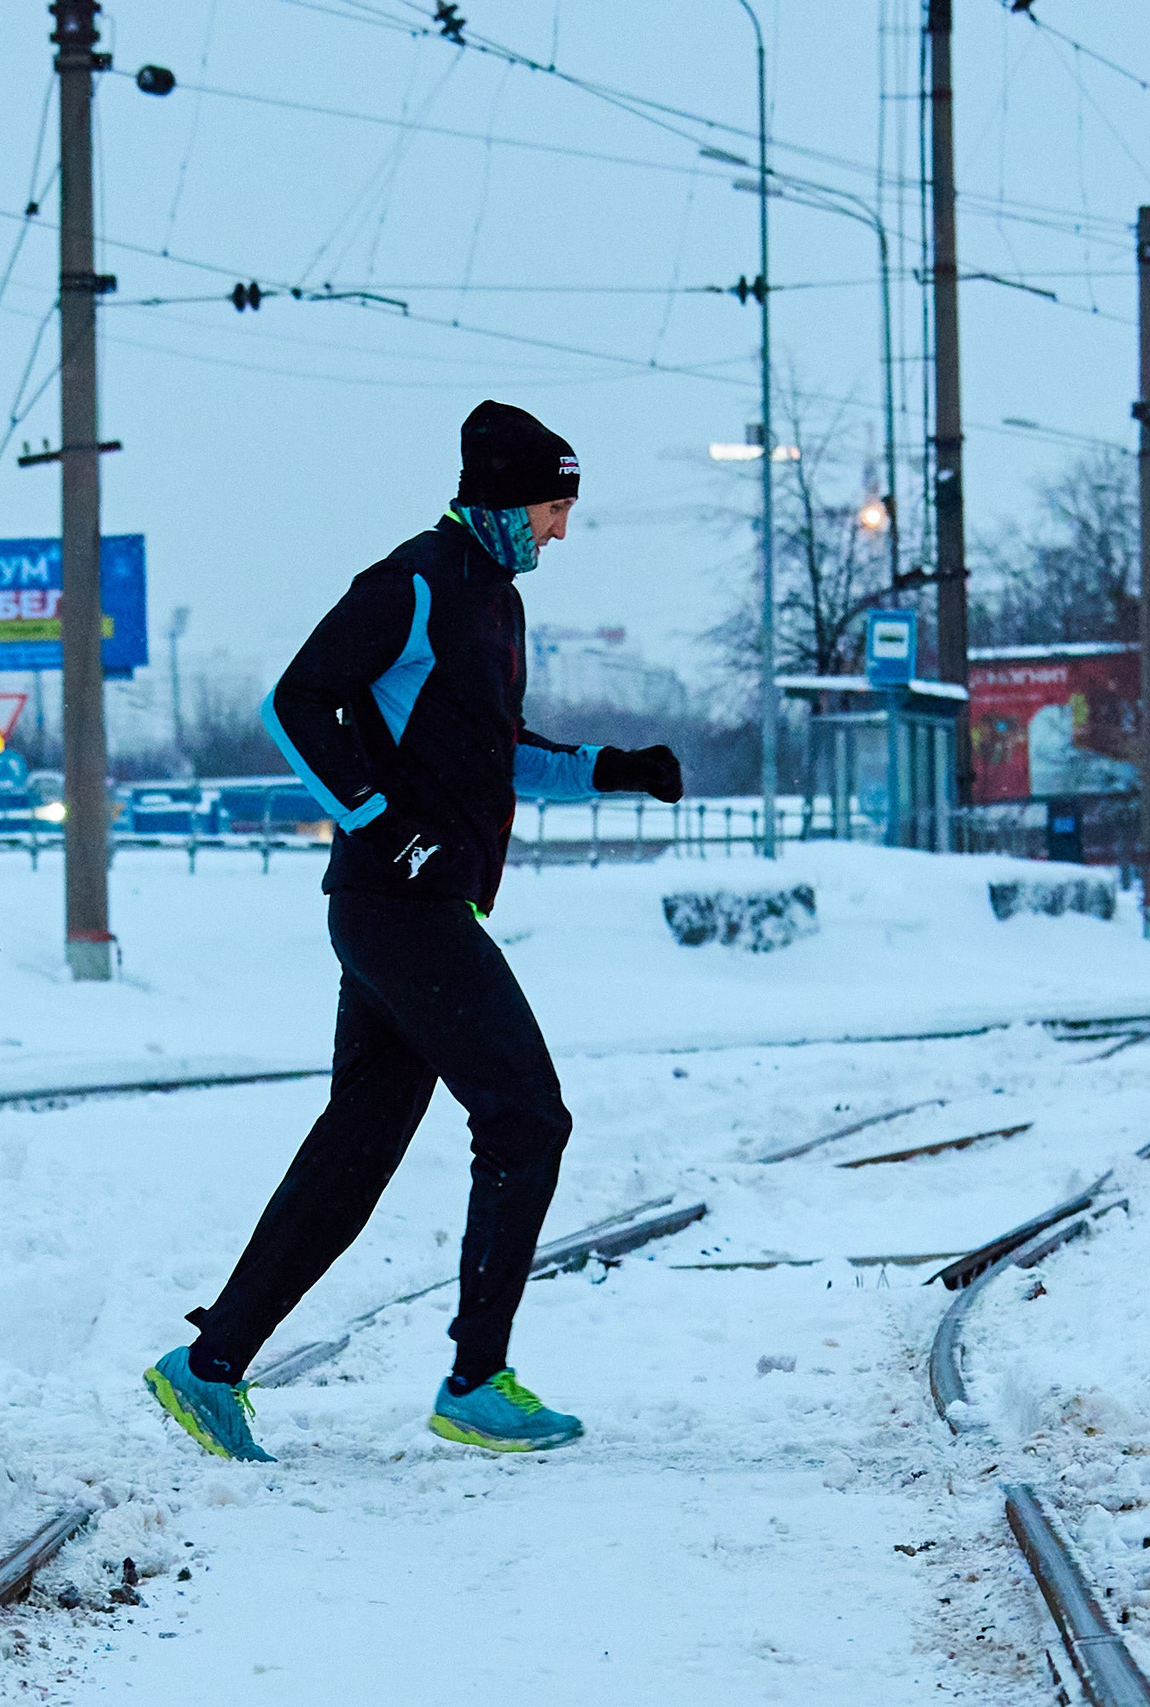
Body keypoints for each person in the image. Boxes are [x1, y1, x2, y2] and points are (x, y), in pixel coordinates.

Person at [145, 401, 684, 1461]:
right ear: (500, 498)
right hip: (398, 906)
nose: (559, 532)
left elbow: (491, 752)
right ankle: (476, 1382)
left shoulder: (496, 602)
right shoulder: (411, 582)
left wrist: (611, 770)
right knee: (527, 1117)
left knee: (357, 1148)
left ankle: (206, 1371)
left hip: (420, 908)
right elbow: (295, 703)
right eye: (551, 508)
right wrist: (382, 825)